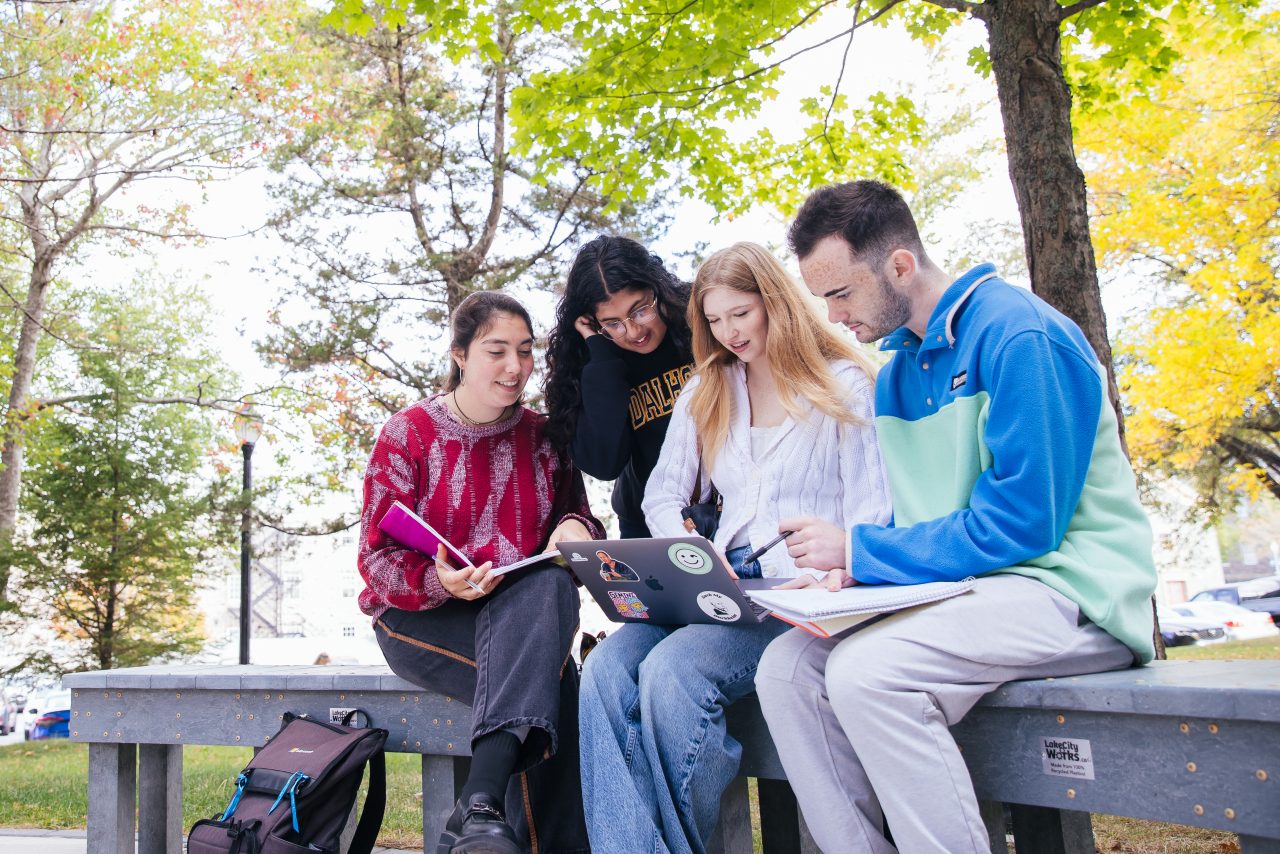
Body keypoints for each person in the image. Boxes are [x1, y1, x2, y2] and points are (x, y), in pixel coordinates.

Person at [755, 180, 1158, 853]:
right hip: (972, 595)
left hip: (1073, 590)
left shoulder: (1020, 334)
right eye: (822, 298)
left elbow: (1025, 525)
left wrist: (860, 553)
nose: (832, 317)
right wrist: (852, 581)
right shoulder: (896, 376)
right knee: (787, 670)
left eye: (842, 294)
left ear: (900, 265)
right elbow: (923, 529)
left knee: (869, 674)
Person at [578, 242, 891, 854]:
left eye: (740, 314)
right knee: (606, 671)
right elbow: (661, 495)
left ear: (774, 302)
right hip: (721, 584)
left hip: (802, 593)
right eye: (715, 321)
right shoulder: (710, 386)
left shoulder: (843, 383)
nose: (729, 333)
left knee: (673, 670)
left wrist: (840, 570)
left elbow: (872, 506)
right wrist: (688, 547)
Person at [357, 291, 604, 854]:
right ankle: (481, 806)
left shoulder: (546, 438)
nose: (515, 367)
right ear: (461, 354)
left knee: (547, 586)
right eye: (497, 351)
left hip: (521, 615)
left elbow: (581, 516)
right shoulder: (409, 434)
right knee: (555, 684)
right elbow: (376, 559)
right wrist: (438, 581)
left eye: (525, 350)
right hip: (421, 619)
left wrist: (575, 529)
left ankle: (480, 809)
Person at [544, 235, 695, 538]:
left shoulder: (702, 326)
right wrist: (602, 355)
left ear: (658, 289)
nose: (633, 331)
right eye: (612, 323)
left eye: (640, 310)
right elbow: (604, 464)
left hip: (728, 512)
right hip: (647, 527)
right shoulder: (594, 365)